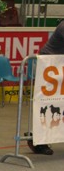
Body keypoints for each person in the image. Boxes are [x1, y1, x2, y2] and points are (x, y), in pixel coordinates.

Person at [27, 20, 64, 155]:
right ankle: (38, 140)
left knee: (59, 104)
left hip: (60, 68)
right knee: (46, 104)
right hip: (49, 67)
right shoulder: (63, 26)